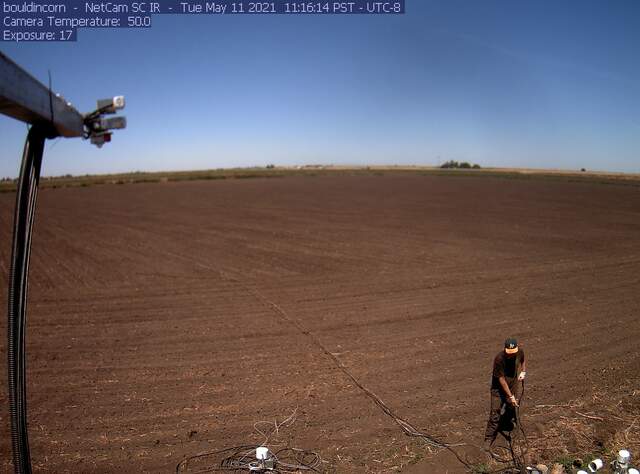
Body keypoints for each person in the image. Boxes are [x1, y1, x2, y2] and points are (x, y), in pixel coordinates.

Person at [484, 337, 526, 452]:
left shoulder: (519, 352)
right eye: (509, 353)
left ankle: (508, 422)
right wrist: (510, 396)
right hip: (497, 389)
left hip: (512, 383)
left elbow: (522, 360)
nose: (511, 355)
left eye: (513, 353)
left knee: (511, 406)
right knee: (495, 412)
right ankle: (489, 438)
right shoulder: (499, 359)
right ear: (505, 349)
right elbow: (501, 380)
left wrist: (523, 371)